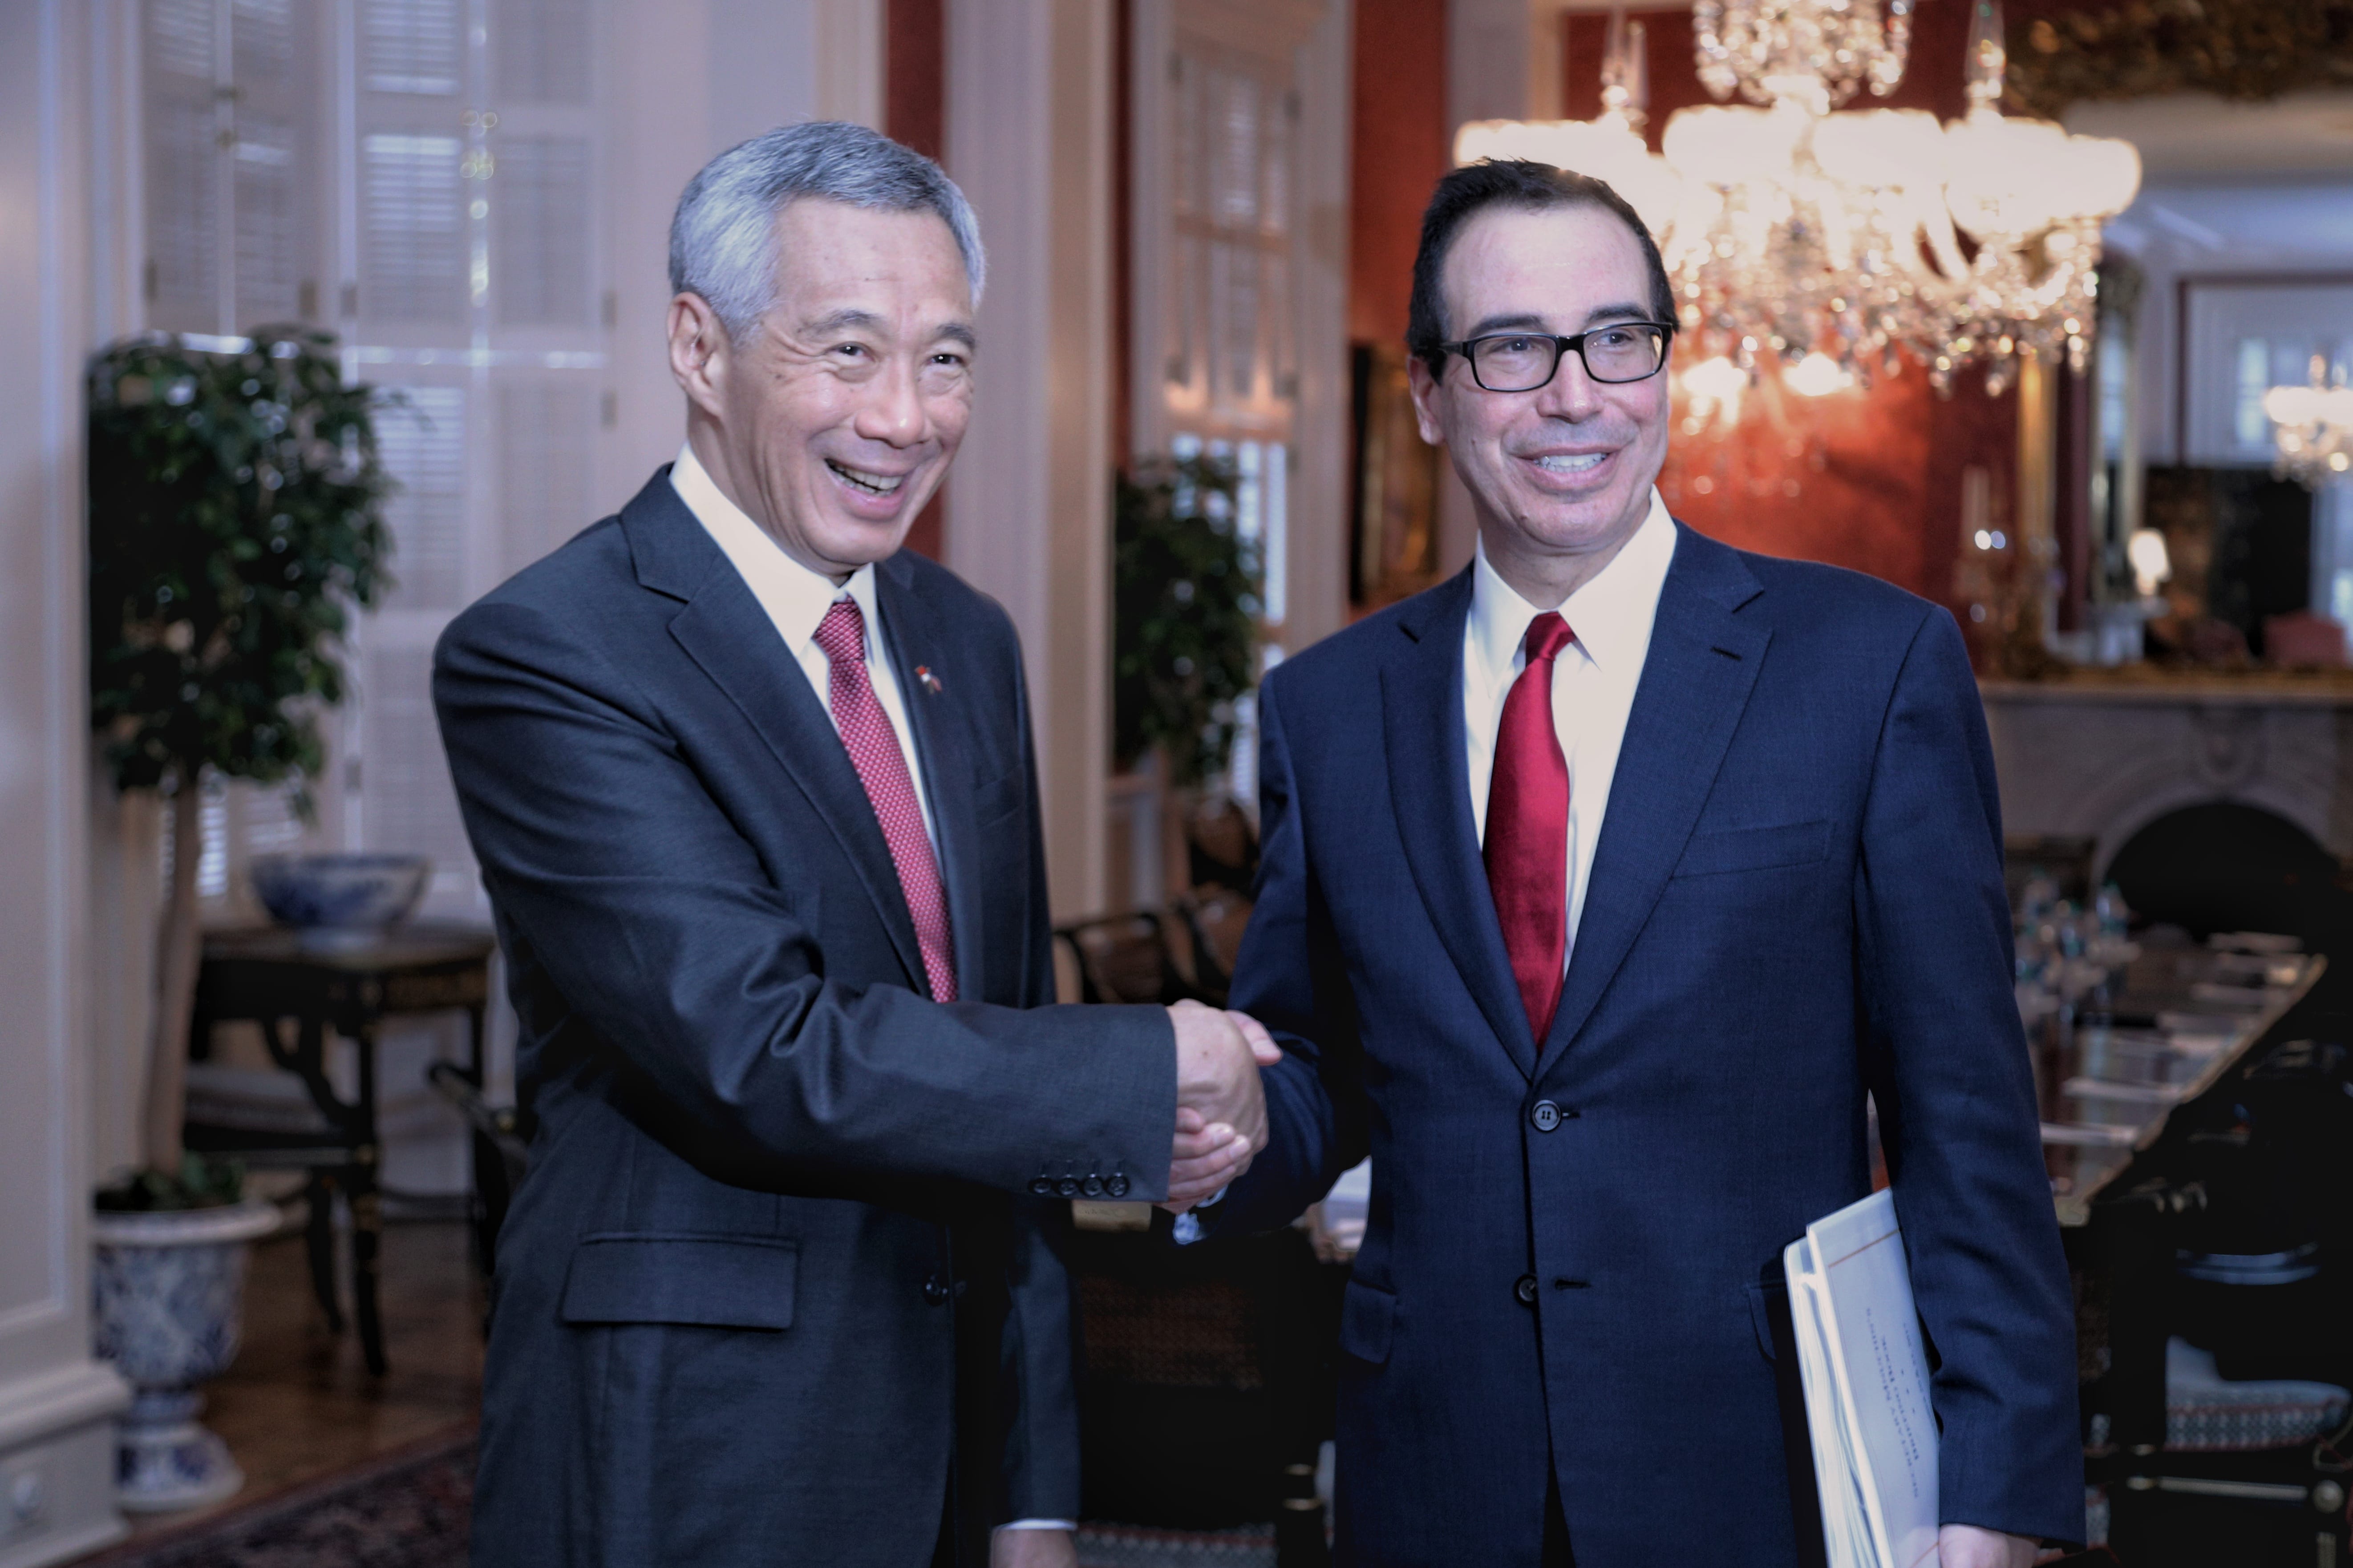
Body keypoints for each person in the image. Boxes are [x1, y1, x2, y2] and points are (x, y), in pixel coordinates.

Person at [1176, 160, 2079, 1567]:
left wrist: (1997, 1492)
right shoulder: (1328, 708)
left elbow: (1965, 1119)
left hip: (1757, 1476)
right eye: (1512, 349)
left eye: (1616, 338)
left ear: (1665, 364)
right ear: (1429, 393)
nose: (1575, 393)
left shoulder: (1866, 668)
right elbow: (1327, 1074)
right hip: (1433, 1480)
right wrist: (1208, 1117)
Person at [434, 122, 1273, 1568]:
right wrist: (1156, 1068)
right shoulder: (551, 654)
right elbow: (763, 1048)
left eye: (945, 358)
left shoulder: (965, 641)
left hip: (951, 1439)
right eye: (848, 352)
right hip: (692, 1446)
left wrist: (1034, 1485)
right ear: (701, 350)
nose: (906, 416)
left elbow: (1000, 1059)